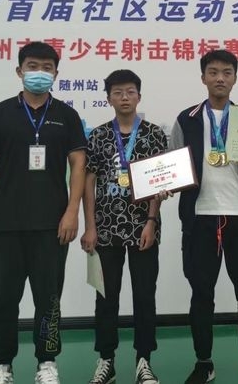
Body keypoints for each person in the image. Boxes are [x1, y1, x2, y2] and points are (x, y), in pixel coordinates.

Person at [0, 41, 87, 384]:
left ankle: (47, 362)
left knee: (49, 300)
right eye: (33, 66)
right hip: (4, 223)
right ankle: (2, 364)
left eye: (47, 67)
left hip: (52, 225)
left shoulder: (66, 115)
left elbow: (78, 165)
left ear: (56, 73)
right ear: (19, 71)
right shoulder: (0, 113)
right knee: (4, 298)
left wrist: (72, 212)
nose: (40, 72)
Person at [170, 49, 238, 384]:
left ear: (235, 78)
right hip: (200, 217)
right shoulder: (186, 119)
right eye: (214, 72)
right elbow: (174, 166)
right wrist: (163, 182)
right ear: (203, 77)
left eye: (227, 72)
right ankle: (204, 362)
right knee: (201, 294)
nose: (220, 78)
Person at [80, 69, 168, 384]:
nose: (125, 97)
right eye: (117, 93)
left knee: (145, 295)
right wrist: (90, 226)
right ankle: (107, 360)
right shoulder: (98, 135)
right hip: (105, 230)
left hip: (143, 229)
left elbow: (160, 182)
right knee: (106, 298)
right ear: (109, 99)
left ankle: (144, 361)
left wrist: (151, 221)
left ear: (139, 96)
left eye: (130, 91)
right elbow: (88, 182)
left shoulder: (154, 134)